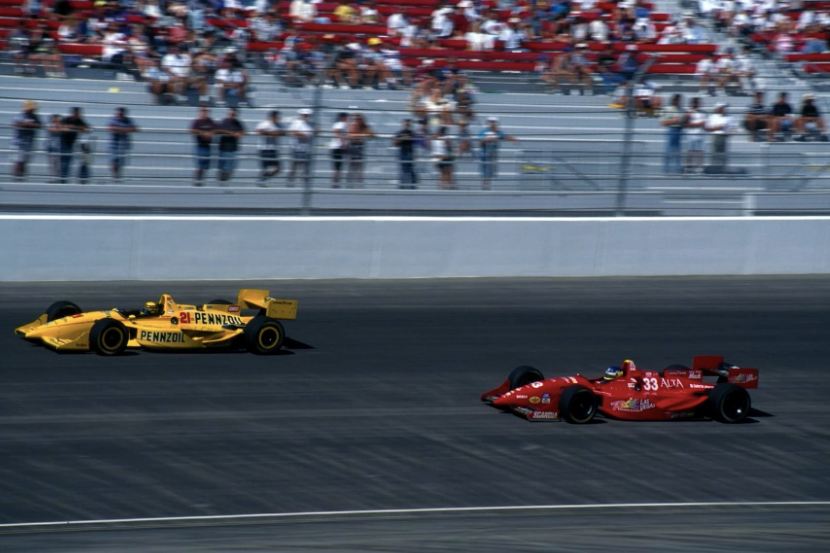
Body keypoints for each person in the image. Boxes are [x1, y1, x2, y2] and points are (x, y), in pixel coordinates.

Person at [478, 116, 518, 190]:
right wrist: (487, 139)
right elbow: (479, 143)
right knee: (485, 171)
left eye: (494, 123)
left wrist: (513, 139)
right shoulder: (483, 132)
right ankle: (484, 186)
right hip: (485, 153)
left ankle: (487, 185)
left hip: (493, 154)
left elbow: (505, 136)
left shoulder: (498, 132)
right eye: (491, 122)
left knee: (490, 171)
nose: (493, 124)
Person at [11, 99, 42, 182]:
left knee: (24, 162)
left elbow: (39, 125)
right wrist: (24, 124)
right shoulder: (19, 116)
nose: (33, 110)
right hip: (19, 143)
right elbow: (15, 124)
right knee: (18, 161)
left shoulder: (35, 117)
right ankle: (16, 178)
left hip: (29, 143)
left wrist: (32, 124)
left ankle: (22, 178)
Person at [59, 107, 90, 184]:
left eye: (78, 113)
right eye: (75, 113)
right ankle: (62, 180)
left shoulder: (79, 120)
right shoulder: (66, 119)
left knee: (69, 162)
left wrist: (75, 127)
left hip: (72, 143)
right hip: (64, 142)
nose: (77, 115)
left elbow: (87, 128)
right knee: (64, 162)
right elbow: (61, 127)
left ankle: (65, 179)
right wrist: (71, 127)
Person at [108, 107, 138, 182]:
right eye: (119, 113)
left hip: (123, 143)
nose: (120, 115)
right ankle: (114, 175)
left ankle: (118, 175)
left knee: (121, 160)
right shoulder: (113, 119)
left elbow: (135, 128)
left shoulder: (128, 120)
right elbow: (110, 127)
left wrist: (122, 130)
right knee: (114, 159)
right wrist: (123, 130)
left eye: (121, 114)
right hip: (114, 143)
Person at [216, 108, 246, 183]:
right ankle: (220, 183)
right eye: (231, 114)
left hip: (233, 149)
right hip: (223, 148)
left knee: (230, 169)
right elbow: (218, 130)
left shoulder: (238, 123)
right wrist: (232, 133)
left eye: (234, 114)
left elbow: (243, 131)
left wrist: (240, 133)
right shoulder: (224, 121)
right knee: (222, 168)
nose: (232, 116)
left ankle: (224, 182)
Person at [255, 110, 285, 186]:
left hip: (274, 149)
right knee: (264, 167)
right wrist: (271, 133)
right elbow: (259, 131)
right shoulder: (265, 124)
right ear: (271, 117)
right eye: (275, 116)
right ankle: (262, 181)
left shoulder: (279, 125)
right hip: (264, 148)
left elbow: (284, 132)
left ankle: (264, 178)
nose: (277, 118)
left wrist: (278, 133)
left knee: (278, 168)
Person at [705, 103, 735, 173]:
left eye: (724, 108)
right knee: (715, 153)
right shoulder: (712, 117)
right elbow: (707, 128)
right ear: (718, 108)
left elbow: (734, 126)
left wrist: (729, 133)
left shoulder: (729, 117)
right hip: (716, 136)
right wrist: (717, 128)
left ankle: (722, 169)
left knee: (723, 154)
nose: (724, 109)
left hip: (723, 137)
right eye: (722, 108)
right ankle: (714, 169)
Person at [190, 106, 216, 186]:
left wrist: (211, 133)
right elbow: (192, 130)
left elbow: (217, 129)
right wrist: (202, 133)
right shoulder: (197, 122)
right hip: (200, 145)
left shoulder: (210, 121)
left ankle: (201, 179)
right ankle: (197, 180)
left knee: (205, 165)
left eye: (206, 111)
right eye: (203, 111)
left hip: (207, 145)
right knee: (201, 163)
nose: (204, 112)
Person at [346, 113, 375, 188]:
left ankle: (359, 184)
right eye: (356, 119)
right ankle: (350, 184)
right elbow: (350, 135)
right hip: (353, 147)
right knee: (353, 166)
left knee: (360, 167)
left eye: (359, 119)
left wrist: (365, 133)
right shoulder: (353, 126)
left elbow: (372, 134)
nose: (357, 121)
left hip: (360, 148)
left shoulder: (364, 127)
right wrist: (363, 135)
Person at [288, 108, 314, 187]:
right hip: (296, 147)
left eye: (307, 115)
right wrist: (302, 135)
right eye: (304, 115)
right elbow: (291, 131)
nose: (306, 116)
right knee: (294, 166)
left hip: (306, 148)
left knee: (306, 167)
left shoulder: (311, 124)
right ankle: (290, 183)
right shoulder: (296, 122)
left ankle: (306, 183)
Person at [660, 94, 686, 174]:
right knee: (669, 150)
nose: (679, 102)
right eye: (678, 100)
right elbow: (663, 123)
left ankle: (678, 169)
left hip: (680, 130)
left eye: (680, 100)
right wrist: (674, 121)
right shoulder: (668, 109)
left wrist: (686, 119)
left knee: (678, 151)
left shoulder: (682, 109)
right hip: (672, 130)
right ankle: (666, 168)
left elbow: (684, 121)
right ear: (674, 100)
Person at [393, 118, 418, 189]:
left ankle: (413, 187)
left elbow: (418, 142)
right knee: (403, 170)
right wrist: (402, 139)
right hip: (403, 153)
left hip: (410, 153)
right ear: (403, 124)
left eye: (408, 124)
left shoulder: (413, 133)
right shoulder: (400, 133)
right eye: (406, 124)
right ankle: (402, 186)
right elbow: (394, 143)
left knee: (411, 171)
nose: (407, 126)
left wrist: (411, 138)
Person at [685, 97, 707, 174]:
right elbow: (686, 124)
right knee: (690, 151)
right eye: (696, 103)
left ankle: (699, 168)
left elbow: (703, 123)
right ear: (692, 103)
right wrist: (697, 124)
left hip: (700, 134)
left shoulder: (703, 112)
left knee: (699, 152)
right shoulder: (688, 112)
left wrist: (693, 124)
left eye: (698, 103)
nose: (697, 104)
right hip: (690, 134)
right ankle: (688, 167)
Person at [329, 112, 349, 188]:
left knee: (338, 167)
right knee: (337, 167)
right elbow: (337, 132)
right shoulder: (341, 124)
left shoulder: (340, 124)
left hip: (337, 147)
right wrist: (343, 143)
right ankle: (335, 183)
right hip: (337, 147)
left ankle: (335, 182)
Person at [431, 125, 454, 190]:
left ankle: (445, 185)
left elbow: (449, 148)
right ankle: (444, 185)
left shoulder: (438, 138)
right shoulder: (440, 139)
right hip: (441, 158)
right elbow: (449, 148)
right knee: (446, 171)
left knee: (445, 172)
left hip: (440, 157)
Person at [46, 114, 63, 183]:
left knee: (58, 164)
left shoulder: (62, 125)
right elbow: (53, 129)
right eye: (55, 119)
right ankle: (53, 179)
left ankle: (58, 179)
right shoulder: (49, 125)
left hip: (59, 147)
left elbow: (64, 129)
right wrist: (58, 126)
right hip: (51, 147)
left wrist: (60, 126)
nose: (57, 120)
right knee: (52, 164)